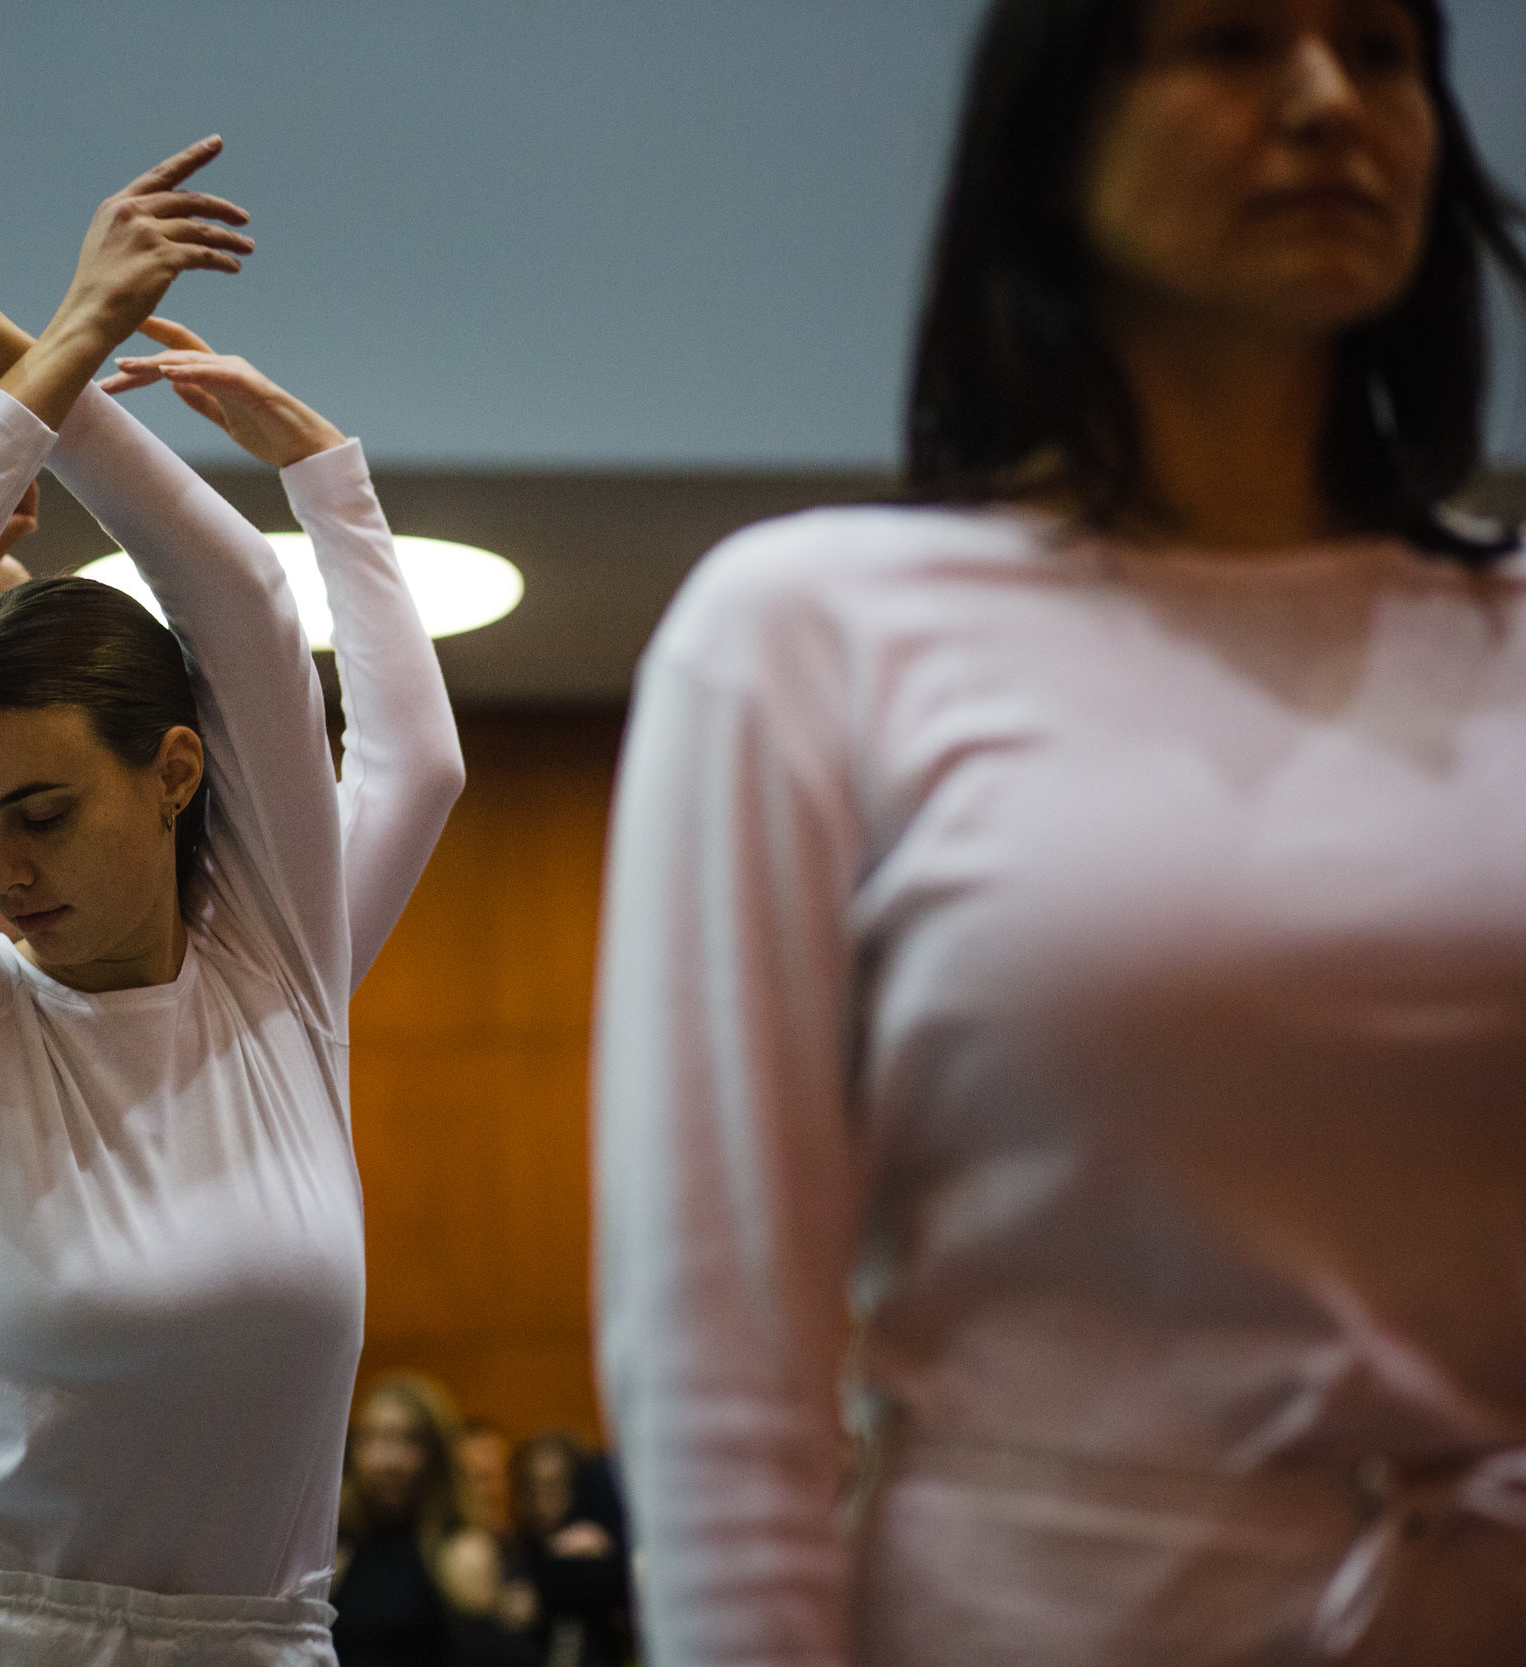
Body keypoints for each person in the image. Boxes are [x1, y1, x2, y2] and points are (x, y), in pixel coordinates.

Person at [595, 1, 1526, 1663]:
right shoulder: (810, 632)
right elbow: (724, 1362)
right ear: (1053, 130)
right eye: (1234, 41)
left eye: (1385, 50)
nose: (1328, 102)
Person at [0, 136, 461, 1664]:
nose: (2, 869)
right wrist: (55, 340)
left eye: (44, 811)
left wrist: (315, 476)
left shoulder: (284, 972)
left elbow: (251, 609)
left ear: (178, 769)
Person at [331, 1375, 515, 1667]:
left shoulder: (460, 1552)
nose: (388, 1461)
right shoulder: (335, 1550)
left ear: (436, 1454)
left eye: (408, 1440)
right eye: (374, 1438)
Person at [507, 1435, 632, 1667]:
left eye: (553, 1487)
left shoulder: (600, 1547)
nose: (540, 1502)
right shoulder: (513, 1551)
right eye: (530, 1488)